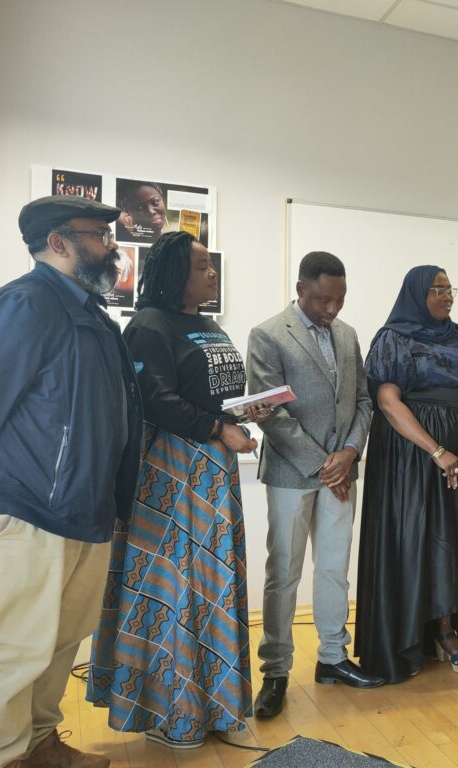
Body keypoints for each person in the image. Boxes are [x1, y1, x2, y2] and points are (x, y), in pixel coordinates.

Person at [0, 196, 143, 768]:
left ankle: (40, 743)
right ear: (58, 242)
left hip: (85, 508)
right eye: (98, 235)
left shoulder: (92, 313)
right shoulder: (22, 304)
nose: (111, 246)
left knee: (58, 644)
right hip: (27, 507)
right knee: (12, 649)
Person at [86, 231, 262, 747]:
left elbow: (214, 393)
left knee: (212, 588)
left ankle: (217, 710)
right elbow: (152, 397)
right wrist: (215, 429)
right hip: (169, 471)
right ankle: (172, 714)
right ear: (173, 274)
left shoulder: (207, 325)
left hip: (214, 470)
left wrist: (246, 411)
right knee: (176, 589)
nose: (212, 274)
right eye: (202, 267)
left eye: (211, 266)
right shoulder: (148, 325)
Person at [246, 251, 383, 720]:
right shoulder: (267, 334)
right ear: (301, 288)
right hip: (291, 472)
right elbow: (271, 413)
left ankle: (332, 658)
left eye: (339, 300)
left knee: (333, 569)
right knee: (283, 571)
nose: (332, 309)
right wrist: (324, 464)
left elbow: (363, 401)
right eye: (323, 299)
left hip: (342, 471)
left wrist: (348, 454)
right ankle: (276, 671)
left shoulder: (348, 335)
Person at [355, 265, 458, 683]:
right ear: (417, 293)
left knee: (453, 538)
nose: (447, 297)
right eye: (437, 290)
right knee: (414, 537)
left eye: (450, 290)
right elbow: (388, 402)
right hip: (408, 453)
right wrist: (435, 451)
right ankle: (409, 631)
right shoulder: (393, 337)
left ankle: (447, 630)